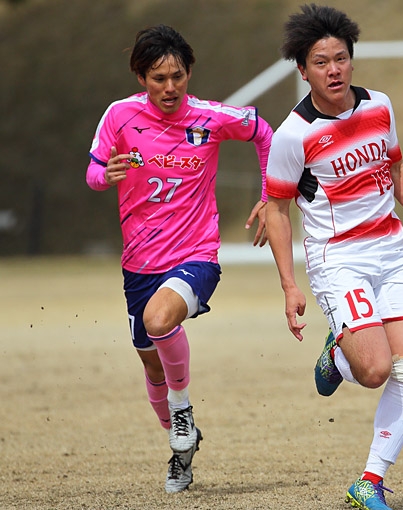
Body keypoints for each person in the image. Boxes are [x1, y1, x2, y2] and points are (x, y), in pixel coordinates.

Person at [265, 5, 403, 510]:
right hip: (337, 261)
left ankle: (370, 482)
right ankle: (339, 355)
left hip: (392, 252)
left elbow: (398, 171)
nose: (333, 69)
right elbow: (277, 210)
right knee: (374, 370)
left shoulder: (380, 106)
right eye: (320, 62)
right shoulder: (293, 135)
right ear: (302, 70)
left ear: (353, 61)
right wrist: (289, 285)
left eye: (341, 58)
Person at [85, 24, 273, 493]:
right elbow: (92, 172)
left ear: (189, 73)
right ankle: (181, 449)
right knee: (150, 363)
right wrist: (103, 175)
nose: (169, 88)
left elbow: (264, 133)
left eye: (177, 77)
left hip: (195, 254)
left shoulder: (210, 117)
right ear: (140, 78)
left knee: (159, 319)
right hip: (139, 263)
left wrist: (270, 196)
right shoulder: (119, 115)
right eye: (157, 78)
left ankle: (183, 410)